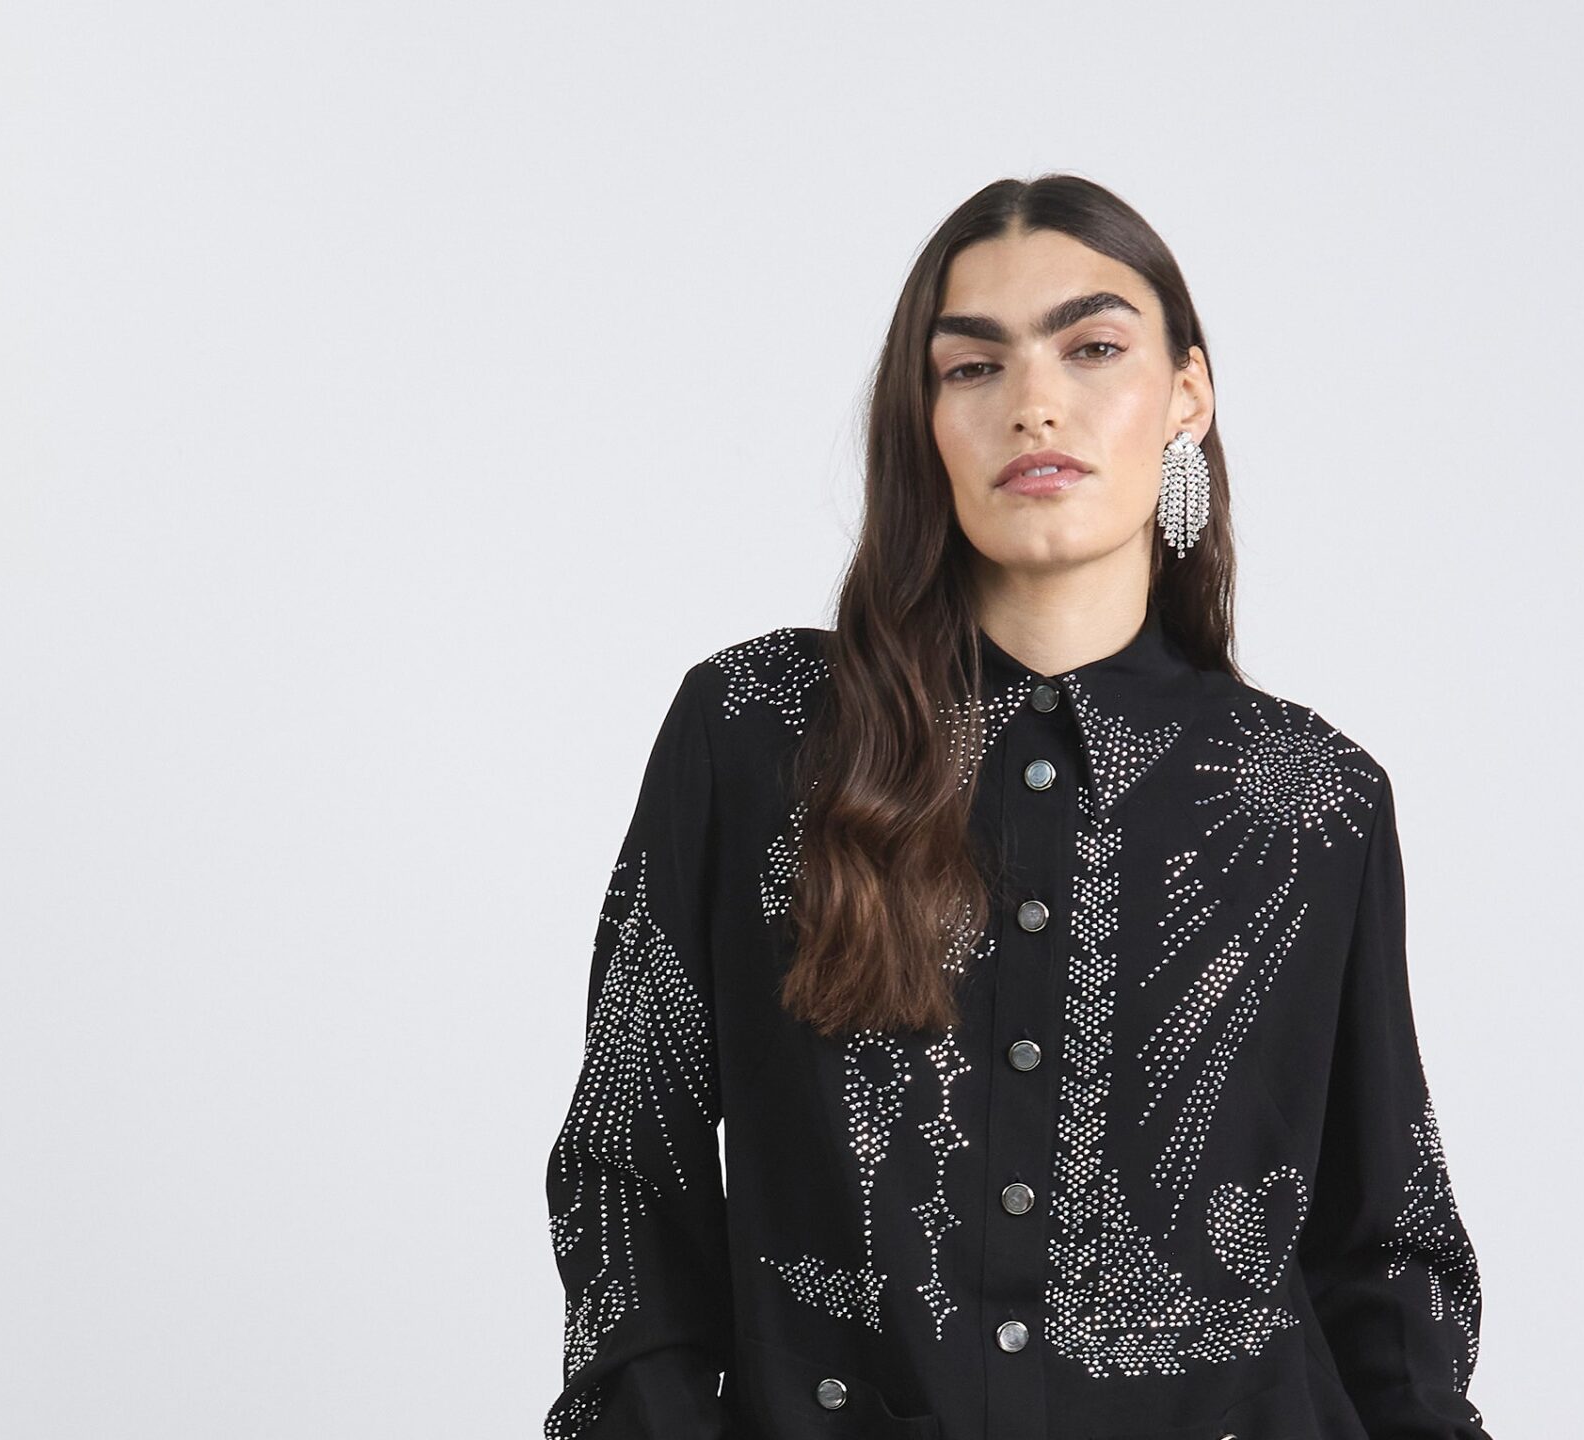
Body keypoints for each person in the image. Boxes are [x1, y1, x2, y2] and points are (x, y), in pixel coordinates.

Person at [542, 173, 1492, 1440]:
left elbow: (1383, 1253)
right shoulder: (759, 731)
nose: (1033, 402)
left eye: (1091, 349)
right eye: (972, 368)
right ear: (924, 419)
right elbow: (626, 1162)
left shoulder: (1311, 798)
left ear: (1186, 397)